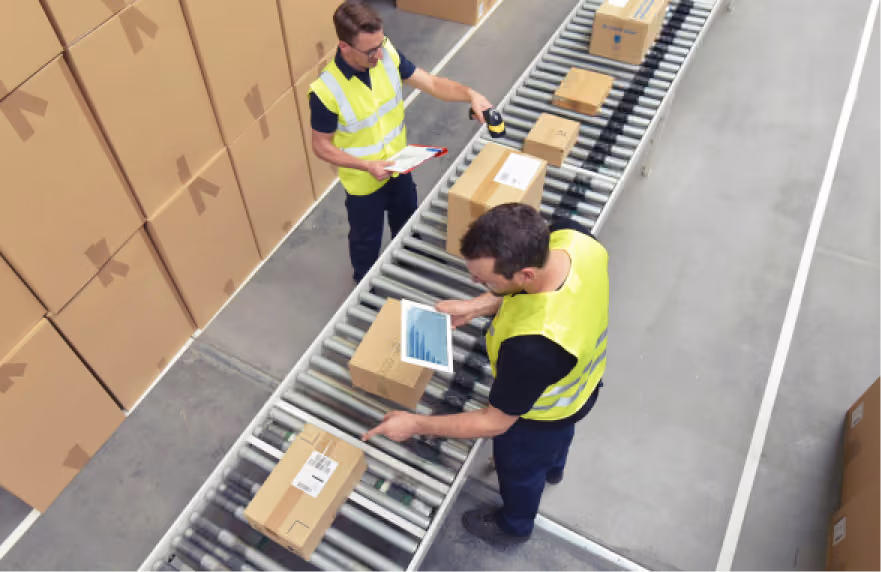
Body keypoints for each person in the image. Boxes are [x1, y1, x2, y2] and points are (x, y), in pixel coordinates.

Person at [363, 204, 609, 547]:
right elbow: (536, 290)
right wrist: (477, 305)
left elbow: (494, 423)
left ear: (524, 275)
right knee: (558, 440)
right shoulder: (574, 239)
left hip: (540, 413)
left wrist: (415, 424)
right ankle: (554, 467)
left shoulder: (533, 347)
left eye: (487, 281)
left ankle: (514, 525)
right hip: (581, 385)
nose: (477, 284)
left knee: (520, 471)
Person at [310, 0, 493, 282]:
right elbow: (321, 145)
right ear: (344, 46)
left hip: (399, 165)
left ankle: (408, 259)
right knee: (365, 240)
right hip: (364, 182)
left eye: (381, 43)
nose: (379, 54)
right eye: (370, 50)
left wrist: (470, 95)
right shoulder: (326, 90)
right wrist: (366, 165)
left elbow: (431, 83)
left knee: (407, 218)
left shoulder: (387, 55)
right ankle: (365, 286)